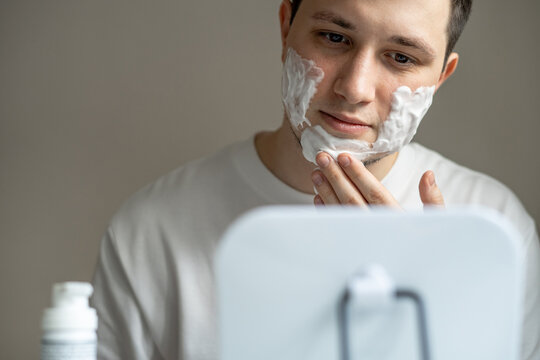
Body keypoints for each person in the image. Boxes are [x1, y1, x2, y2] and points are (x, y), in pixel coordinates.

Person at [90, 0, 540, 359]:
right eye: (333, 37)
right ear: (286, 27)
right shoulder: (150, 233)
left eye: (401, 57)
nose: (355, 88)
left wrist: (434, 329)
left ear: (441, 76)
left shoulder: (495, 231)